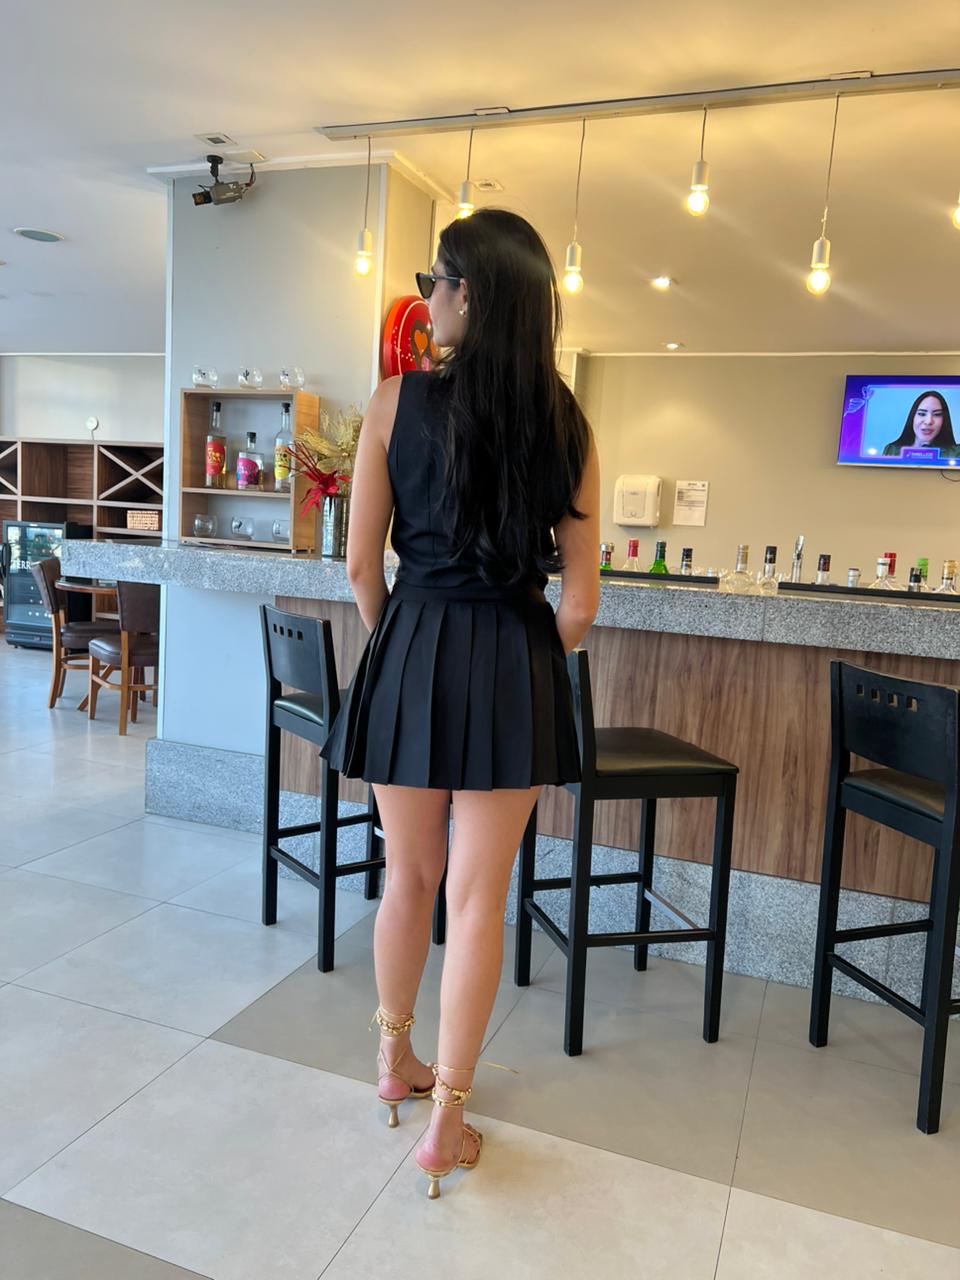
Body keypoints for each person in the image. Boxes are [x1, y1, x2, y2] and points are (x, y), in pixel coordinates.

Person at [319, 208, 600, 1198]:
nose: (425, 299)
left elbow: (362, 567)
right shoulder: (566, 421)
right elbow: (580, 602)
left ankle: (392, 1059)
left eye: (432, 281)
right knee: (480, 897)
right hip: (512, 655)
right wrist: (521, 660)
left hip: (411, 645)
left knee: (408, 876)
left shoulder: (394, 401)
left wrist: (406, 639)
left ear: (470, 294)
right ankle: (446, 1121)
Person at [882, 390, 959, 458]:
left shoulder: (956, 453)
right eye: (922, 414)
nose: (928, 421)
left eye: (937, 414)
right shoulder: (891, 450)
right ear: (912, 417)